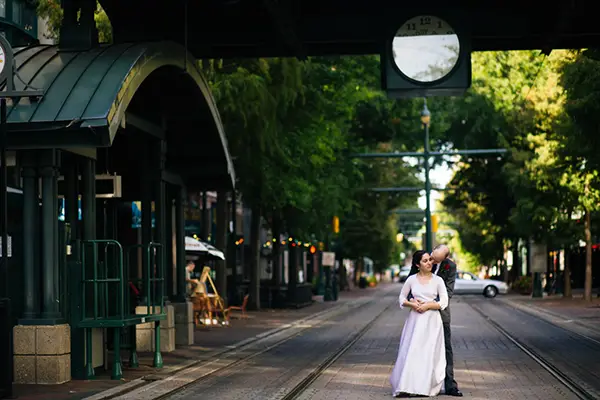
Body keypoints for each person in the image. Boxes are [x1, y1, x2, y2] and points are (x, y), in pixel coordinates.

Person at [390, 250, 449, 397]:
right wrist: (412, 303)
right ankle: (406, 386)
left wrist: (428, 305)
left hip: (432, 322)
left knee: (428, 353)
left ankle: (424, 388)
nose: (429, 263)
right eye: (425, 261)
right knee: (412, 352)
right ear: (417, 264)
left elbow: (444, 302)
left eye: (430, 260)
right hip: (415, 321)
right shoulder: (411, 280)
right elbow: (401, 298)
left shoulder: (438, 280)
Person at [408, 244, 463, 397]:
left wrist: (429, 304)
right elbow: (410, 286)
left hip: (440, 313)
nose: (431, 263)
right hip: (419, 315)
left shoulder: (450, 267)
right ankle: (419, 384)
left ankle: (450, 385)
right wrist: (414, 300)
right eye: (431, 258)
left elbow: (448, 292)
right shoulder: (422, 260)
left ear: (444, 259)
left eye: (436, 261)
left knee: (446, 348)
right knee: (419, 348)